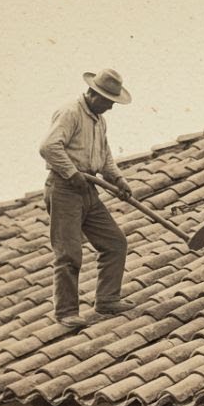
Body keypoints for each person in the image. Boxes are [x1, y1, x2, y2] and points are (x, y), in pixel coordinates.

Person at [39, 69, 136, 329]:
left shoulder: (99, 120)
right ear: (93, 94)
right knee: (69, 252)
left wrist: (117, 179)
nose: (110, 108)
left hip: (87, 188)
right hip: (64, 189)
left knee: (115, 243)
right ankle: (67, 312)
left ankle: (107, 299)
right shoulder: (70, 113)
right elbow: (48, 147)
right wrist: (71, 173)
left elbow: (104, 156)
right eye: (107, 102)